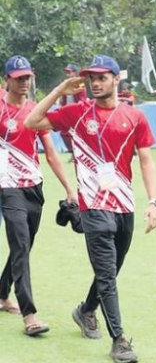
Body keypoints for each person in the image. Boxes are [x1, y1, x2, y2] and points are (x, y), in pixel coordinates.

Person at [25, 54, 156, 363]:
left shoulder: (134, 116)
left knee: (112, 270)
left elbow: (147, 159)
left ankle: (86, 311)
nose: (95, 83)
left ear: (116, 79)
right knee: (107, 275)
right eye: (92, 78)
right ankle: (119, 340)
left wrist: (153, 201)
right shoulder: (76, 112)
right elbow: (32, 122)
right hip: (93, 207)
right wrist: (60, 90)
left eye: (102, 77)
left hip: (123, 205)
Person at [0, 55, 77, 336]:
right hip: (8, 189)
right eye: (19, 77)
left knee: (24, 246)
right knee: (20, 245)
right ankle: (29, 315)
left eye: (28, 77)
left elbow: (52, 154)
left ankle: (2, 293)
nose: (24, 82)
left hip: (34, 188)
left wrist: (69, 187)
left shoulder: (35, 111)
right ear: (7, 79)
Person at [60, 64, 88, 163]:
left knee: (77, 135)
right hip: (66, 113)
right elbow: (63, 98)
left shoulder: (80, 84)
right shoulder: (65, 84)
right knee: (64, 133)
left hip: (77, 113)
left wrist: (77, 111)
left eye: (69, 72)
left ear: (75, 73)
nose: (68, 74)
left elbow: (82, 100)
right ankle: (73, 153)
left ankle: (79, 155)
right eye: (67, 72)